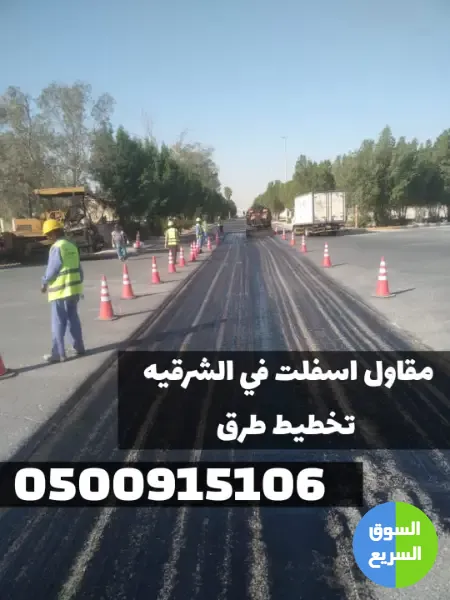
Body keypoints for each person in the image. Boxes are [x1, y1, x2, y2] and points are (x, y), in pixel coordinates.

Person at [41, 219, 85, 363]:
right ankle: (79, 347)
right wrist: (78, 283)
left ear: (54, 233)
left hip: (60, 291)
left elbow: (52, 269)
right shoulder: (72, 246)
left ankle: (58, 354)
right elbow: (79, 268)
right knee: (73, 319)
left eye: (48, 235)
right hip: (74, 289)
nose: (48, 238)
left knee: (58, 322)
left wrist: (44, 282)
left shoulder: (57, 247)